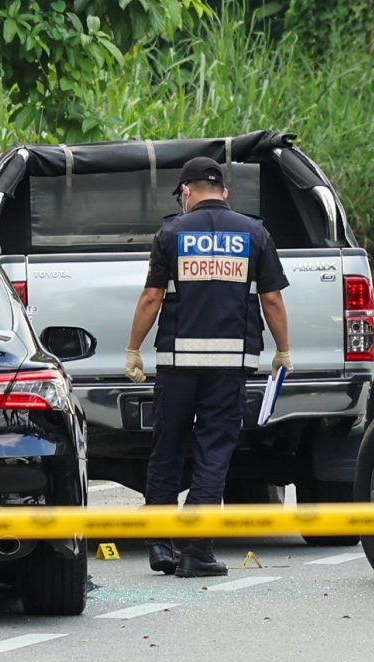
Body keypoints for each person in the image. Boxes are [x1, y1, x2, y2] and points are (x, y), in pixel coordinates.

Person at [124, 157, 292, 578]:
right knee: (212, 454)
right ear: (225, 192)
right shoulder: (254, 233)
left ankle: (159, 543)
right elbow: (271, 299)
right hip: (229, 367)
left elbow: (151, 298)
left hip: (178, 366)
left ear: (185, 192)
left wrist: (133, 349)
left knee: (166, 449)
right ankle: (195, 550)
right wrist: (283, 350)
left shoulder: (170, 233)